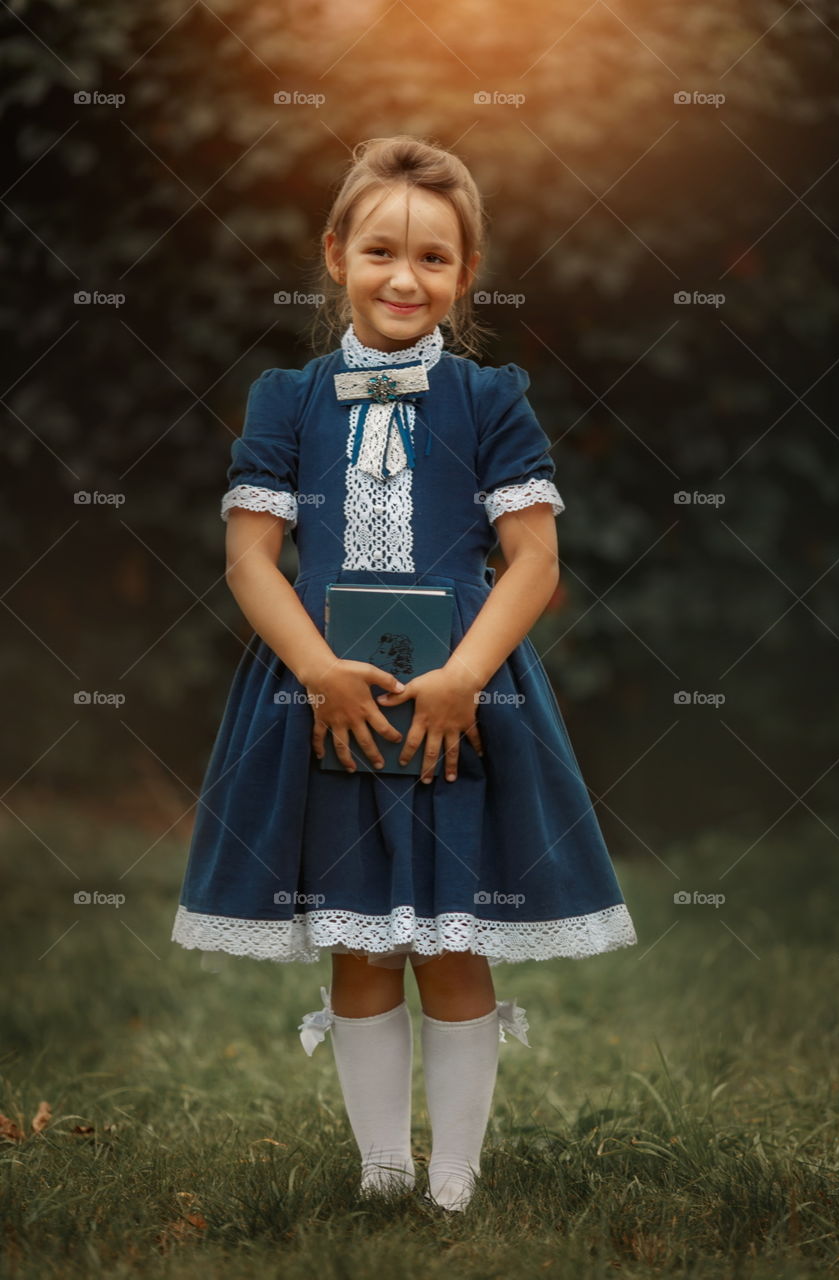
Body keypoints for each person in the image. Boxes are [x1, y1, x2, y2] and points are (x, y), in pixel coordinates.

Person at [171, 134, 638, 1213]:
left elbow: (534, 558)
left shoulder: (487, 401)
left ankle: (455, 1181)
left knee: (451, 939)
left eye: (434, 258)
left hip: (466, 702)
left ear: (465, 274)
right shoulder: (287, 401)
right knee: (361, 939)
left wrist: (466, 674)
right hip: (319, 699)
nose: (403, 277)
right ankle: (383, 1173)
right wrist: (319, 670)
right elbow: (250, 555)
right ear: (335, 252)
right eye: (380, 249)